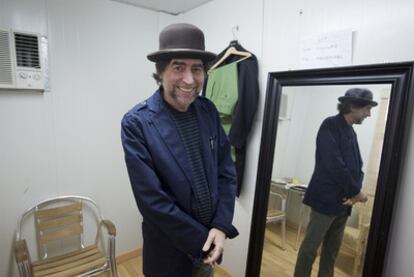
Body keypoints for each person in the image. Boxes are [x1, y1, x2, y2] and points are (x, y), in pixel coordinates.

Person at [121, 23, 239, 277]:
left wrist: (220, 225)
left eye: (196, 68)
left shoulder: (208, 111)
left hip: (211, 243)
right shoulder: (137, 123)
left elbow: (226, 172)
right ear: (161, 71)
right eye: (178, 67)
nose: (189, 79)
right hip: (170, 255)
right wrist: (204, 244)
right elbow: (152, 201)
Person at [294, 88, 378, 277]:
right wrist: (356, 192)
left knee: (331, 252)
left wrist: (354, 194)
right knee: (310, 249)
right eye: (366, 109)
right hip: (325, 201)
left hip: (344, 203)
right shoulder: (330, 125)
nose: (368, 114)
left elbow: (358, 166)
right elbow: (334, 164)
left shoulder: (351, 131)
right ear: (352, 106)